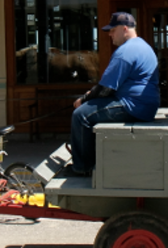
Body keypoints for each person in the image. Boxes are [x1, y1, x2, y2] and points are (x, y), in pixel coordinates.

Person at [63, 12, 160, 177]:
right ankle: (94, 160)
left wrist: (84, 99)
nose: (109, 34)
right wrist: (92, 94)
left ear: (124, 29)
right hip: (146, 106)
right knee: (91, 108)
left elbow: (105, 89)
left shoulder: (125, 52)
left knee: (81, 115)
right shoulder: (143, 45)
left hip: (132, 105)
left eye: (112, 30)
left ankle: (82, 167)